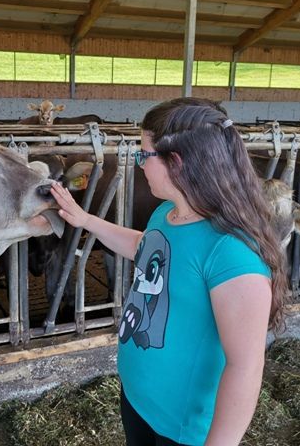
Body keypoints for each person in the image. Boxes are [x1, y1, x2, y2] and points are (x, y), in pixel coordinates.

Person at [50, 101, 287, 446]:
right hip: (139, 399)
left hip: (182, 427)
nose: (140, 164)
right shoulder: (168, 213)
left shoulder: (233, 254)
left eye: (145, 155)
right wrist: (86, 221)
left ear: (176, 163)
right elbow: (145, 247)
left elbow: (245, 367)